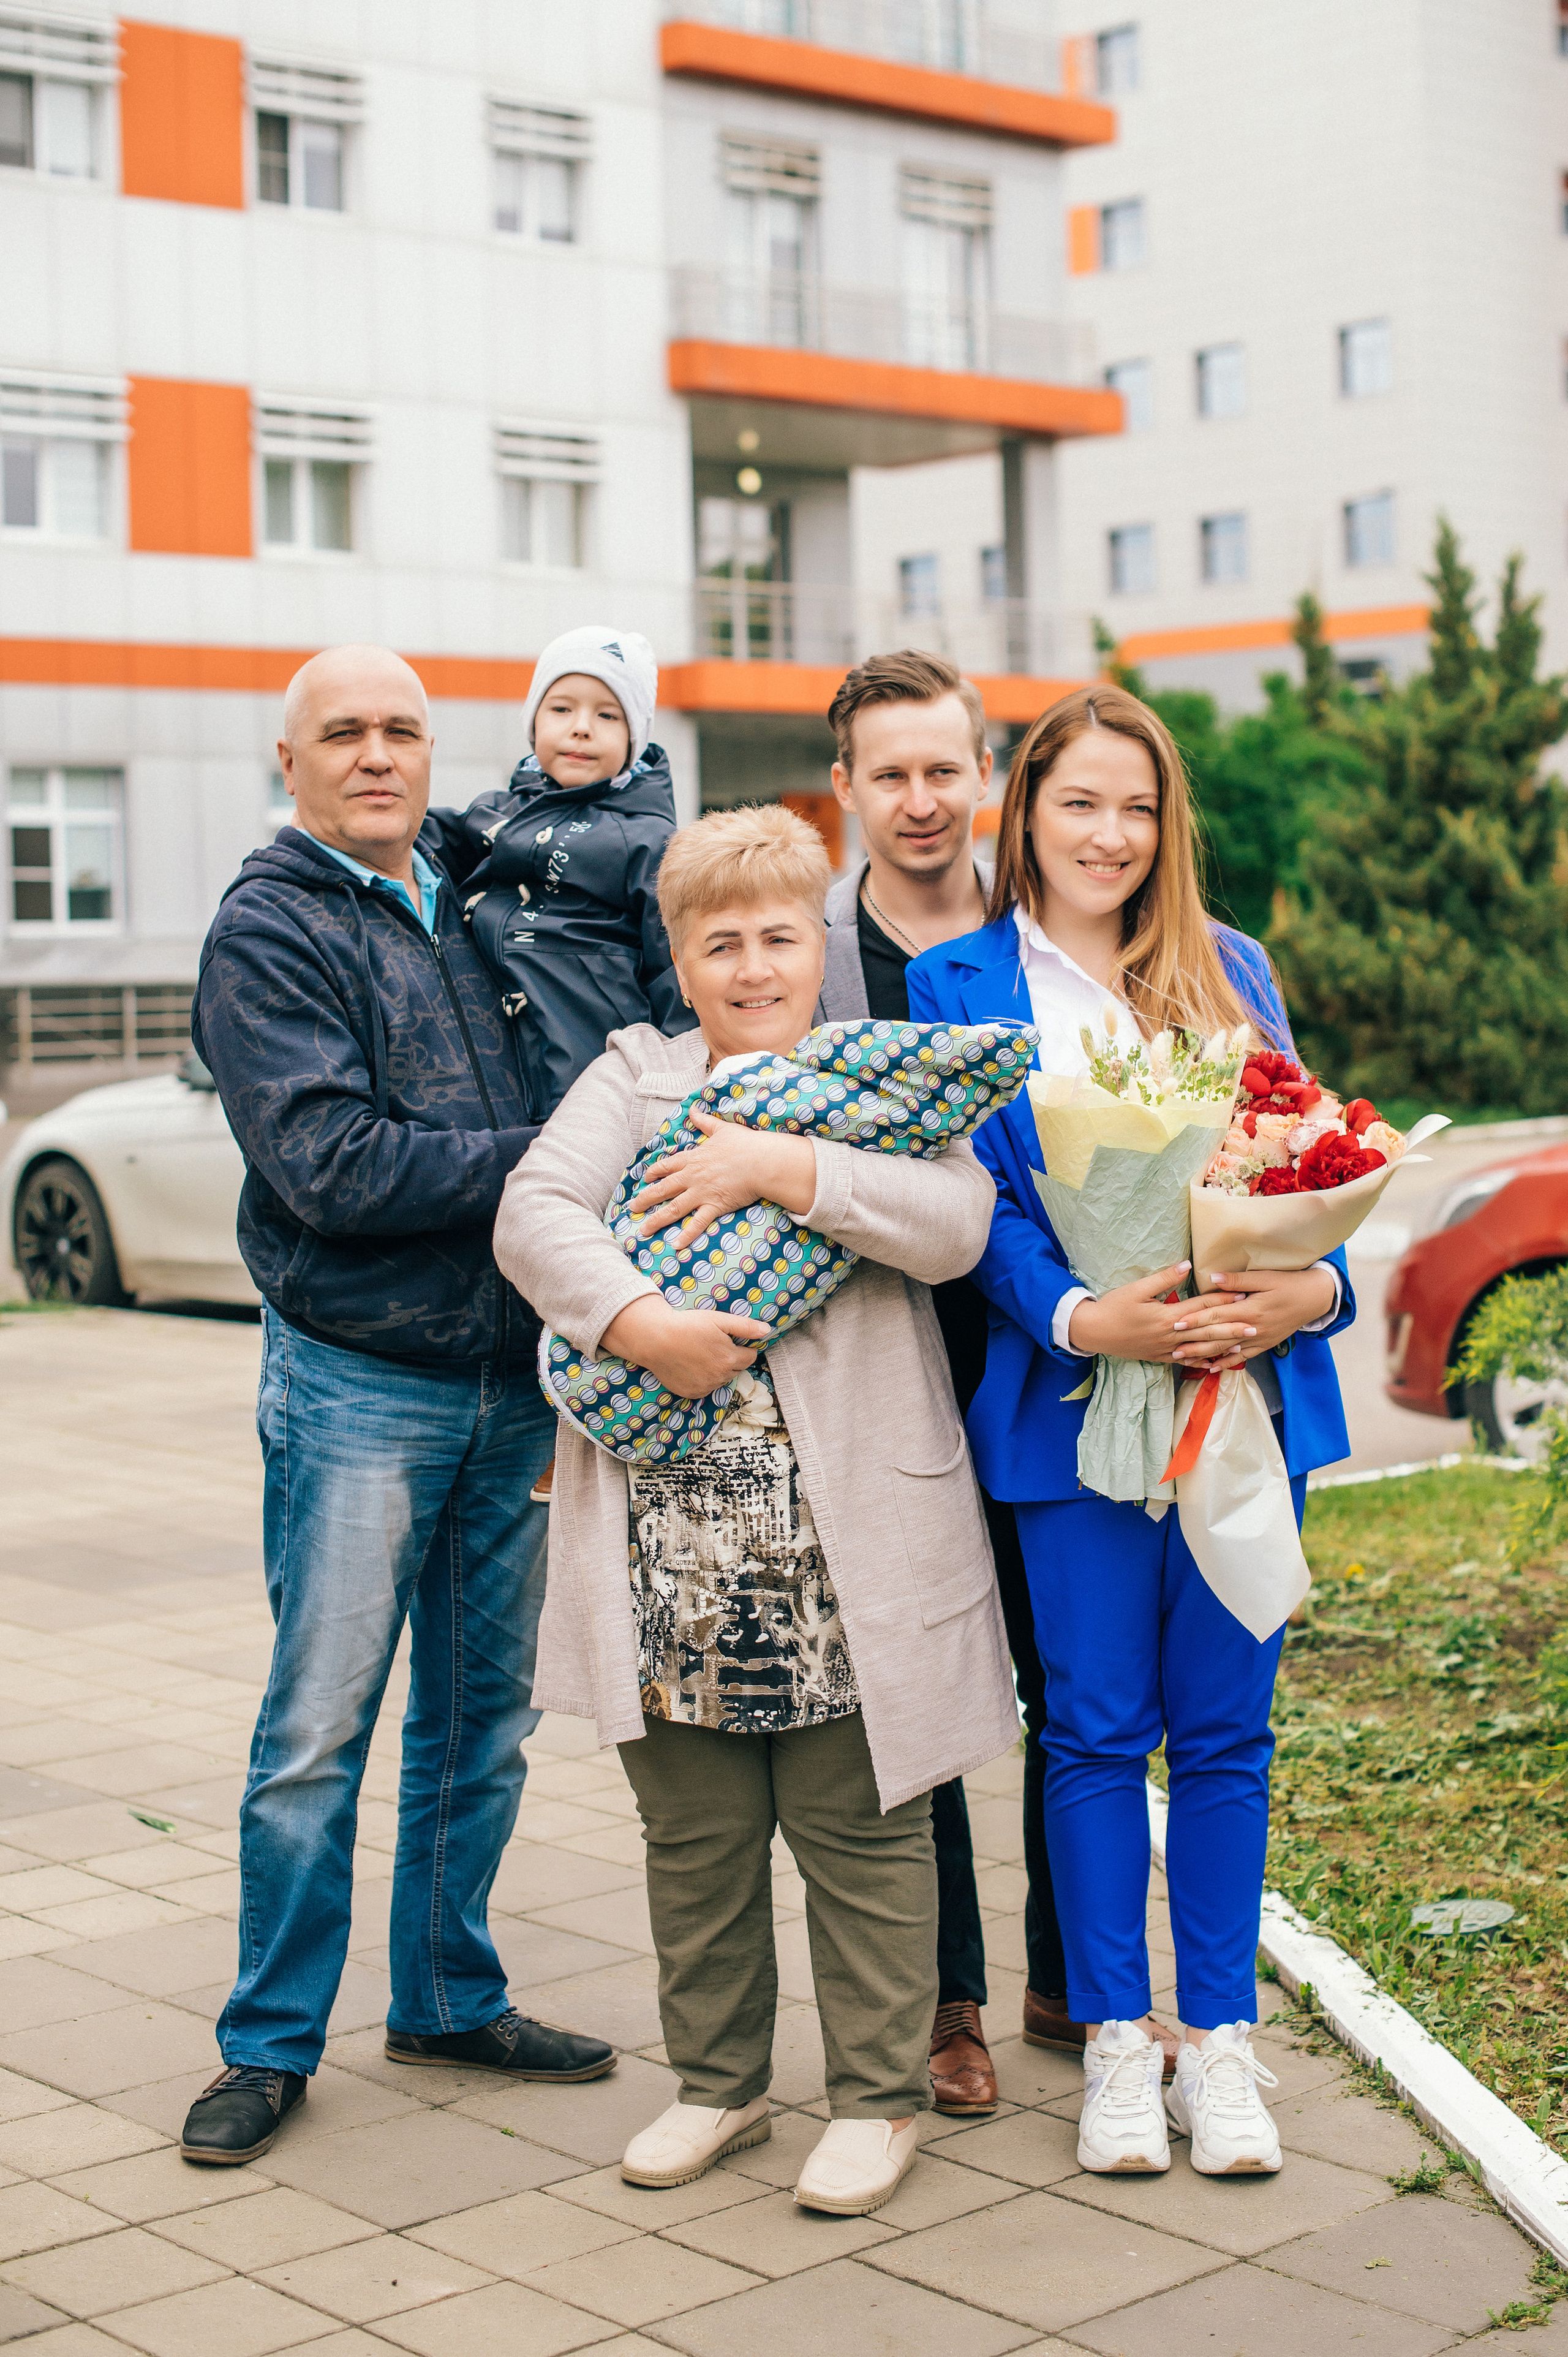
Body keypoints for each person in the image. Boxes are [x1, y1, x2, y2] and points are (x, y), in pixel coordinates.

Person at [494, 804, 1022, 2218]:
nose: (749, 965)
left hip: (846, 1552)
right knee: (697, 1836)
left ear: (817, 945)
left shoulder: (874, 1077)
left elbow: (956, 1225)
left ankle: (872, 2098)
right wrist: (637, 1318)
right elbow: (533, 1210)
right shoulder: (634, 1076)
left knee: (863, 1833)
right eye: (717, 940)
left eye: (778, 936)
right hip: (669, 1558)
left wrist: (779, 1168)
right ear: (677, 955)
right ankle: (718, 2083)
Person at [907, 683, 1354, 2179]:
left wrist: (1306, 1289)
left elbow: (1305, 1164)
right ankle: (1112, 2042)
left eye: (1135, 805)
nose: (1107, 833)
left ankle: (1215, 2046)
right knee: (1090, 1733)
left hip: (1238, 1403)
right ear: (1023, 809)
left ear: (1167, 825)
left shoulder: (1231, 967)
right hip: (1071, 1407)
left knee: (1226, 1736)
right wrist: (1082, 1317)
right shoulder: (955, 983)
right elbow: (973, 1210)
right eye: (1076, 801)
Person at [180, 643, 613, 2169]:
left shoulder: (478, 876)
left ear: (437, 754)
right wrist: (562, 1155)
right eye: (344, 732)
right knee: (318, 1726)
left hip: (513, 1379)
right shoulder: (270, 928)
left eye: (404, 731)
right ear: (287, 762)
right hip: (359, 1380)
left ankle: (444, 1991)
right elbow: (334, 1169)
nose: (378, 754)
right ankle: (269, 2040)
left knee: (483, 1718)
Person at [818, 651, 1178, 2117]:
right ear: (842, 788)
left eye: (941, 769)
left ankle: (1067, 1981)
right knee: (914, 1686)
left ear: (989, 780)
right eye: (885, 773)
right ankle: (941, 1999)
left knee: (1061, 1680)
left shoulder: (1053, 937)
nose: (919, 801)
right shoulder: (823, 956)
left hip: (1039, 1361)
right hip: (875, 1367)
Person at [421, 622, 695, 1507]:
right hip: (513, 1062)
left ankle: (577, 1425)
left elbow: (670, 960)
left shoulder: (646, 837)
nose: (580, 727)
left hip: (589, 1058)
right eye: (561, 707)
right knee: (535, 1236)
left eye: (605, 715)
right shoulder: (499, 814)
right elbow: (431, 842)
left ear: (635, 738)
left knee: (593, 1239)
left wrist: (684, 1067)